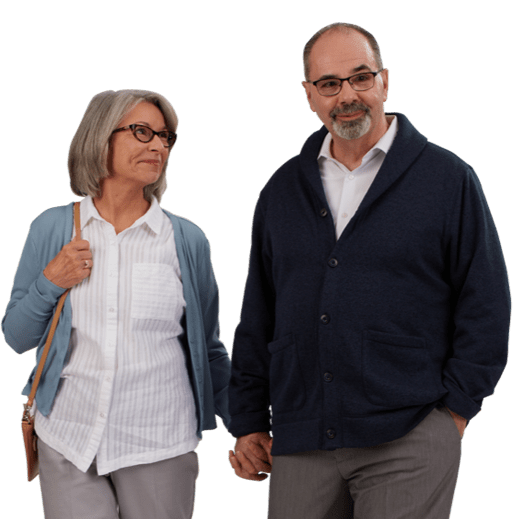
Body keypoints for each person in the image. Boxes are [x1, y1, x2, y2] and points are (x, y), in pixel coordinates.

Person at [227, 23, 510, 519]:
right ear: (310, 95)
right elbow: (259, 313)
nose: (348, 96)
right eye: (330, 84)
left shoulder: (447, 180)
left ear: (384, 81)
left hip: (409, 433)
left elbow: (486, 304)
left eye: (360, 78)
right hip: (302, 434)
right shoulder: (282, 190)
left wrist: (454, 414)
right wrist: (249, 418)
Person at [2, 89, 231, 519]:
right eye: (142, 132)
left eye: (166, 137)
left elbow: (209, 347)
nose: (158, 145)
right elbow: (16, 335)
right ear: (99, 137)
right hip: (69, 439)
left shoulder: (186, 240)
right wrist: (52, 280)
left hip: (159, 442)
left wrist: (248, 426)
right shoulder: (52, 227)